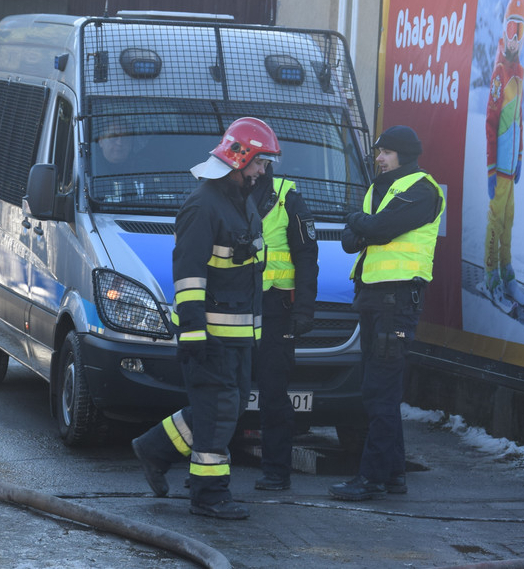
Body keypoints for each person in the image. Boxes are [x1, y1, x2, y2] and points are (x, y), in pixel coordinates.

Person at [131, 116, 280, 520]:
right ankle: (209, 494)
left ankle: (154, 449)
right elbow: (189, 272)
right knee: (216, 416)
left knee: (218, 409)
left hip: (237, 338)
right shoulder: (203, 205)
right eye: (259, 163)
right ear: (239, 157)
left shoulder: (242, 203)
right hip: (211, 336)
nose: (263, 171)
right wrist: (194, 331)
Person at [329, 125, 444, 501]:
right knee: (377, 390)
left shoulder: (422, 190)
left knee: (380, 391)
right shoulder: (381, 188)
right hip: (373, 298)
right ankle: (393, 474)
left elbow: (376, 229)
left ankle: (372, 478)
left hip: (396, 301)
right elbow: (352, 241)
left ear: (404, 155)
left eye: (386, 152)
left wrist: (360, 224)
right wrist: (363, 227)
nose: (378, 158)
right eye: (379, 152)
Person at [249, 163, 318, 491]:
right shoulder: (225, 188)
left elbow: (307, 255)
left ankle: (277, 471)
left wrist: (304, 308)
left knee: (274, 393)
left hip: (276, 310)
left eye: (261, 160)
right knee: (224, 390)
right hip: (235, 307)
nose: (256, 166)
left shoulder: (287, 196)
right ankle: (207, 470)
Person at [484, 0, 524, 313]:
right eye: (511, 28)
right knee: (496, 220)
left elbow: (518, 118)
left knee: (509, 219)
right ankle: (491, 275)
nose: (515, 37)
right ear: (504, 30)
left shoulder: (519, 72)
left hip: (510, 167)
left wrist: (519, 156)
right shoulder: (500, 72)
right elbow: (491, 123)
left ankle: (506, 270)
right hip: (498, 168)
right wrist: (492, 168)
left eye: (520, 30)